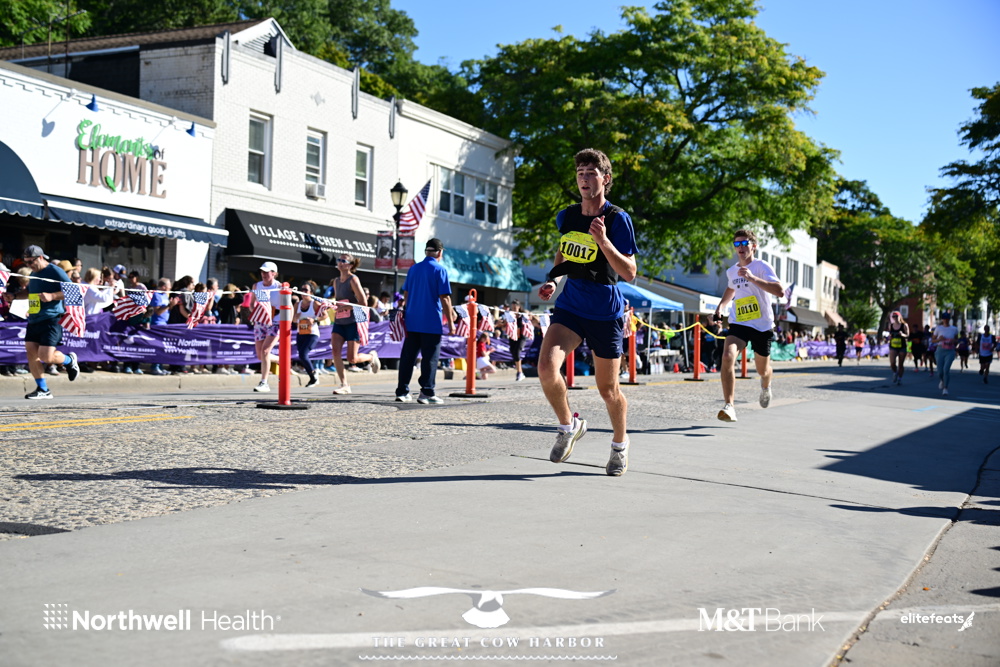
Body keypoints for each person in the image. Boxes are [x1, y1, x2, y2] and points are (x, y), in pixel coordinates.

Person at [536, 148, 638, 477]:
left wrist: (604, 241)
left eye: (591, 173)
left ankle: (620, 446)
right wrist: (554, 280)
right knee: (546, 368)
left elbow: (630, 273)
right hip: (570, 306)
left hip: (605, 313)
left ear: (605, 179)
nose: (584, 178)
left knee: (608, 390)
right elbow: (564, 252)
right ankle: (568, 426)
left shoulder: (617, 219)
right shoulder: (566, 216)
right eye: (580, 172)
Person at [712, 229, 784, 423]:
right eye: (737, 244)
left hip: (762, 325)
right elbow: (731, 288)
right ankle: (729, 406)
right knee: (727, 356)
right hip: (740, 322)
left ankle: (766, 384)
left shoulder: (762, 266)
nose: (741, 247)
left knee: (762, 370)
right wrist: (721, 306)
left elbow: (780, 291)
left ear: (754, 246)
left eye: (745, 243)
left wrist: (752, 278)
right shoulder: (732, 271)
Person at [395, 238, 455, 404]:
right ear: (440, 253)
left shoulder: (413, 268)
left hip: (412, 320)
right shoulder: (440, 269)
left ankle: (402, 391)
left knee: (408, 358)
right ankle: (426, 392)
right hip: (431, 321)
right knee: (430, 359)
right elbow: (445, 298)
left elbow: (406, 294)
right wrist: (451, 323)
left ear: (426, 251)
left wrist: (409, 311)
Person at [15, 245, 80, 399]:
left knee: (46, 357)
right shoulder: (33, 273)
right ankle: (43, 389)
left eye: (31, 261)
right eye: (26, 262)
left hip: (51, 318)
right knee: (31, 353)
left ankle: (69, 360)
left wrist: (52, 296)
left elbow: (74, 291)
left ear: (41, 257)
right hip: (34, 318)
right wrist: (14, 296)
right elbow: (29, 292)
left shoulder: (55, 271)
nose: (29, 265)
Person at [329, 254, 380, 395]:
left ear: (350, 265)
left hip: (353, 321)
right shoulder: (336, 281)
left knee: (352, 358)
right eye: (339, 260)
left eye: (343, 261)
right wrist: (332, 305)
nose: (340, 262)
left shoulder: (353, 279)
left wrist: (345, 307)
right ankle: (344, 384)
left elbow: (363, 303)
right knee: (335, 352)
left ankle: (371, 357)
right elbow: (338, 300)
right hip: (339, 321)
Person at [248, 262, 282, 392]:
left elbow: (287, 305)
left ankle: (264, 382)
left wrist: (287, 321)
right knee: (260, 355)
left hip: (275, 321)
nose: (263, 274)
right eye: (262, 271)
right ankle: (281, 359)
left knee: (266, 351)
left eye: (266, 272)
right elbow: (252, 303)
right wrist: (256, 313)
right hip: (260, 321)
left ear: (274, 273)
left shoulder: (279, 286)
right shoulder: (256, 286)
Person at [293, 281, 322, 388]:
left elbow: (324, 315)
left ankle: (314, 376)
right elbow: (293, 320)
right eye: (302, 290)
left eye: (306, 290)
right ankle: (312, 377)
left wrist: (314, 319)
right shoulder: (297, 304)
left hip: (312, 334)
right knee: (301, 356)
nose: (303, 292)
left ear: (311, 292)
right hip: (301, 333)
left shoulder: (315, 304)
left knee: (303, 354)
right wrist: (296, 318)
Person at [931, 313, 958, 396]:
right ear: (942, 319)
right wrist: (939, 339)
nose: (946, 320)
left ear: (949, 319)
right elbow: (932, 340)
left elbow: (957, 340)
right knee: (940, 371)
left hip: (950, 350)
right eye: (944, 319)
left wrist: (954, 341)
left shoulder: (954, 329)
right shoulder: (938, 328)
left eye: (947, 319)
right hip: (940, 349)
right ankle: (942, 380)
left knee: (946, 369)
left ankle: (945, 388)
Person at [886, 311, 910, 385]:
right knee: (892, 363)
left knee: (900, 364)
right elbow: (890, 334)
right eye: (893, 316)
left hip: (902, 346)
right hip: (893, 346)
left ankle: (900, 378)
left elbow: (908, 335)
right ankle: (895, 372)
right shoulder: (891, 325)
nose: (895, 318)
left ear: (900, 317)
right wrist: (889, 337)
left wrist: (902, 334)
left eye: (896, 316)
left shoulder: (904, 325)